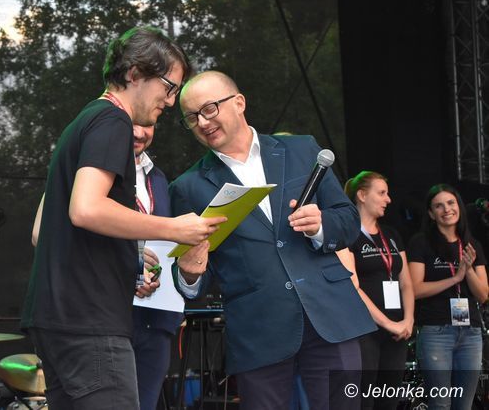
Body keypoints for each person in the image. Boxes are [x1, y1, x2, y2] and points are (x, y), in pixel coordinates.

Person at [21, 27, 226, 410]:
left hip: (58, 318)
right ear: (134, 74)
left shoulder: (85, 121)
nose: (171, 101)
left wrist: (130, 257)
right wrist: (175, 228)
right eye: (168, 87)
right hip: (89, 321)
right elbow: (86, 209)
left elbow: (64, 225)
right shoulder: (112, 119)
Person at [170, 70, 376, 410]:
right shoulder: (187, 187)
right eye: (191, 118)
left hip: (329, 316)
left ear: (239, 102)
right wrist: (189, 273)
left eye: (209, 109)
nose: (202, 122)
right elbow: (194, 277)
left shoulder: (302, 149)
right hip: (258, 332)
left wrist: (321, 225)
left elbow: (349, 220)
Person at [337, 171, 414, 410]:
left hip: (398, 331)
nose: (388, 199)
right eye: (382, 193)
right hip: (365, 331)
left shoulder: (391, 235)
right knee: (364, 399)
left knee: (389, 399)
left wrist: (408, 320)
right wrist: (388, 323)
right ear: (362, 195)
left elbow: (406, 283)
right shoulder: (347, 235)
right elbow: (353, 286)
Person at [408, 184, 488, 410]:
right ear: (431, 213)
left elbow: (483, 294)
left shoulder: (472, 245)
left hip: (470, 333)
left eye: (451, 203)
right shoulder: (420, 242)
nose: (447, 209)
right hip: (436, 331)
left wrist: (468, 270)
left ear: (459, 207)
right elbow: (415, 289)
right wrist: (455, 278)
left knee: (464, 405)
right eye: (439, 206)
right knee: (440, 403)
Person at [131, 124, 185, 410]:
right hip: (111, 322)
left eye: (148, 124)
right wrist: (132, 259)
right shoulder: (95, 176)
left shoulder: (159, 179)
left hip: (156, 320)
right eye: (131, 124)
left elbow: (163, 245)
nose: (140, 133)